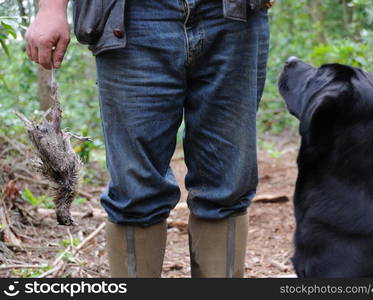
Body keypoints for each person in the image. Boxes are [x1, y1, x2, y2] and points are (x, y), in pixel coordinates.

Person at [25, 0, 271, 278]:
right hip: (131, 17)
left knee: (227, 184)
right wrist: (51, 7)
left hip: (233, 15)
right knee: (135, 190)